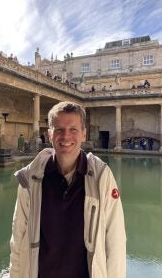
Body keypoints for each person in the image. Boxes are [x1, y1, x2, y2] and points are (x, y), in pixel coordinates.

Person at [10, 101, 126, 278]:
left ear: (84, 134)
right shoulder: (30, 179)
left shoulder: (102, 177)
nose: (66, 136)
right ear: (49, 134)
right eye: (59, 129)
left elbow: (115, 242)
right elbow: (17, 240)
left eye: (73, 129)